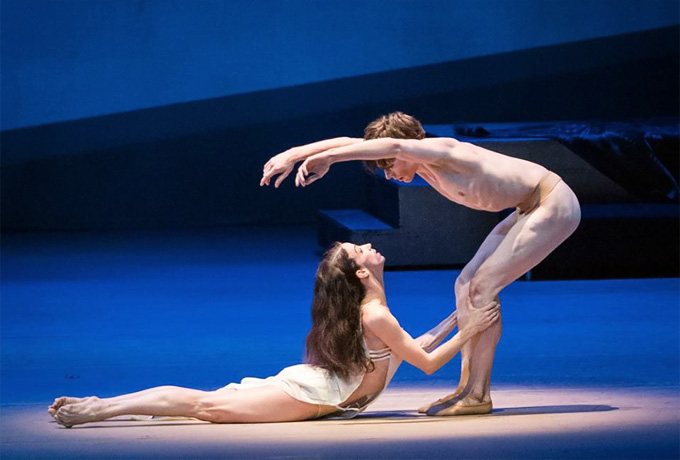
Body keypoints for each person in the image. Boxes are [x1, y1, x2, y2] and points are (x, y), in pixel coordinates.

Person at [260, 112, 581, 416]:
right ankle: (467, 389)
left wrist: (328, 158)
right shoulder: (421, 163)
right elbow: (350, 139)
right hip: (528, 208)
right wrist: (294, 154)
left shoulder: (443, 150)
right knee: (466, 284)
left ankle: (478, 394)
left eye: (389, 164)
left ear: (409, 144)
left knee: (483, 288)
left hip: (551, 203)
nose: (389, 173)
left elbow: (395, 146)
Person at [48, 242, 499, 428]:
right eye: (361, 249)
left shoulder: (377, 313)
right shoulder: (376, 313)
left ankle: (102, 407)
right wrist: (471, 328)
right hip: (309, 393)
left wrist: (456, 319)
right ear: (363, 272)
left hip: (314, 389)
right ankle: (97, 409)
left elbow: (407, 347)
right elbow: (426, 362)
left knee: (204, 405)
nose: (370, 247)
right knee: (204, 405)